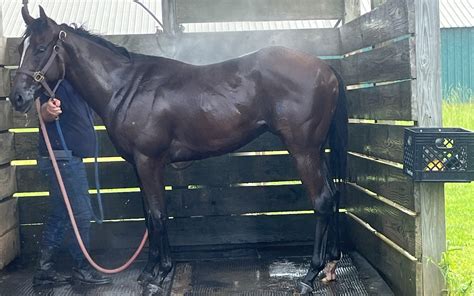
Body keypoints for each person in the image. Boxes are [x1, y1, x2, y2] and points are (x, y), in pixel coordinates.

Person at [32, 79, 111, 286]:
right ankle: (81, 269)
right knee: (81, 214)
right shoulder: (54, 83)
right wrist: (47, 111)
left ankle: (44, 269)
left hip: (64, 159)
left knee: (60, 214)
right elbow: (44, 110)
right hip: (63, 160)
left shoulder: (79, 83)